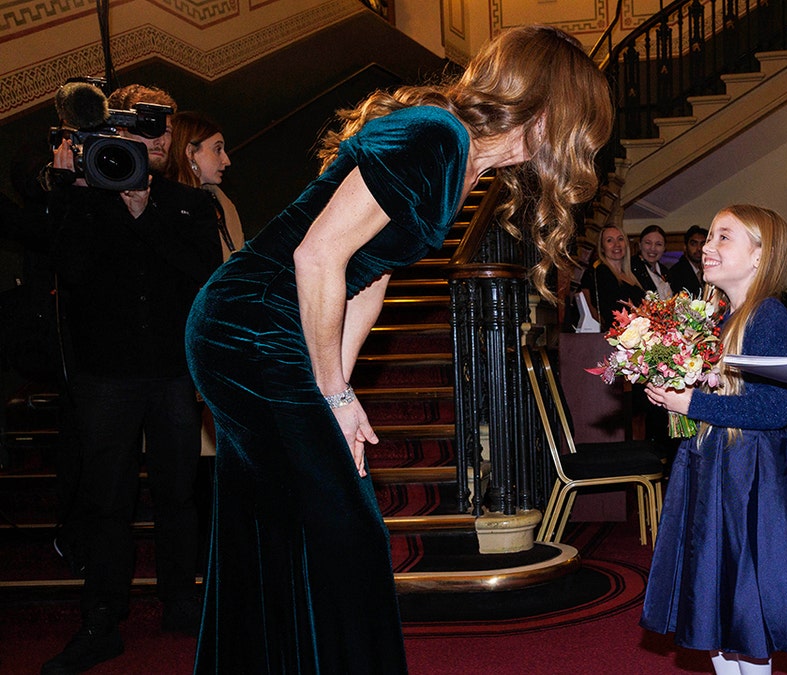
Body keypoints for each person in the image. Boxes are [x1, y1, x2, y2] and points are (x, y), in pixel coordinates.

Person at [184, 25, 612, 674]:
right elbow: (317, 256)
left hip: (275, 328)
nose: (582, 150)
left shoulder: (466, 162)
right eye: (584, 128)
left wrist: (341, 389)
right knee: (348, 531)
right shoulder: (436, 136)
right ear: (550, 110)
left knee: (272, 521)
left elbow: (372, 275)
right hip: (251, 326)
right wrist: (331, 392)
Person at [41, 84, 222, 675]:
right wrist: (72, 189)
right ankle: (102, 618)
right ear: (114, 131)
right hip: (106, 374)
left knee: (178, 493)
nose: (159, 136)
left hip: (172, 371)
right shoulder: (83, 197)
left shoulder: (189, 202)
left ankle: (181, 602)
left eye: (164, 125)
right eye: (143, 125)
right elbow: (70, 270)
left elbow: (203, 274)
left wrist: (145, 211)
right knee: (107, 497)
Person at [641, 205, 787, 674]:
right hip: (717, 470)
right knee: (716, 606)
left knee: (745, 608)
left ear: (760, 255)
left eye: (724, 237)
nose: (708, 247)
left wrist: (692, 404)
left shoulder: (768, 317)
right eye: (709, 237)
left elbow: (774, 410)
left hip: (749, 480)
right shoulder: (722, 317)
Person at [165, 111, 244, 260]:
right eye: (217, 150)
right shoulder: (163, 205)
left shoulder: (222, 202)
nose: (226, 161)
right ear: (190, 152)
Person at [580, 223, 644, 329]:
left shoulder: (633, 273)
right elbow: (607, 312)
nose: (616, 244)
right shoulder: (601, 273)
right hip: (618, 333)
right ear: (602, 248)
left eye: (620, 239)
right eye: (609, 240)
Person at [630, 223, 673, 297]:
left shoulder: (665, 271)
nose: (653, 248)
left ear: (664, 248)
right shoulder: (631, 269)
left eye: (658, 244)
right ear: (640, 245)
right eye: (648, 243)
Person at [667, 223, 707, 296]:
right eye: (693, 244)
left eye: (702, 244)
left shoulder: (710, 270)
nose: (699, 248)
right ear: (685, 247)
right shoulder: (676, 273)